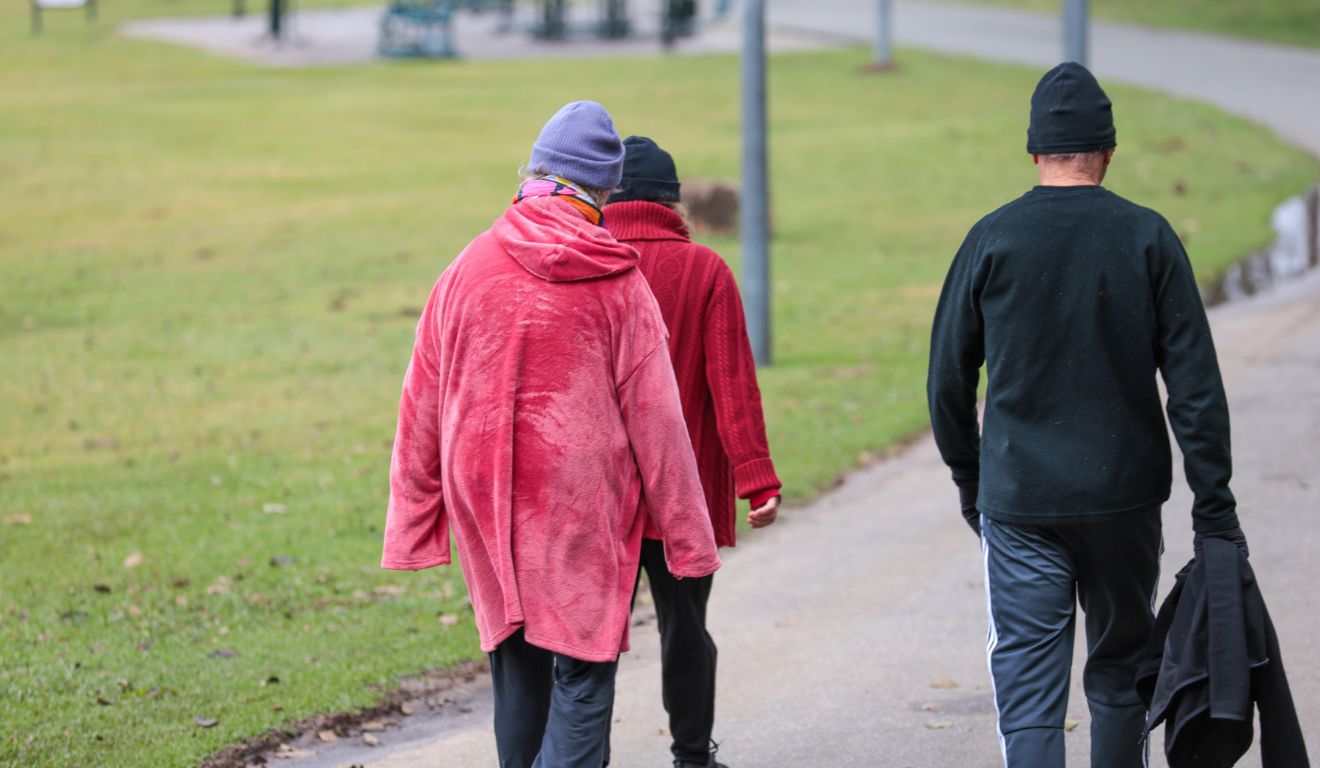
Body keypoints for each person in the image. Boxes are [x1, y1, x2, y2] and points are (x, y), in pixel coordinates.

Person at [926, 62, 1248, 768]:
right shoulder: (1148, 238)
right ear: (1107, 150)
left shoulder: (992, 239)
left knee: (1030, 684)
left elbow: (947, 379)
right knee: (1123, 668)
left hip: (1021, 503)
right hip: (1123, 501)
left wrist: (970, 482)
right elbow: (1194, 385)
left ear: (1035, 150)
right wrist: (1214, 506)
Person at [382, 101, 721, 768]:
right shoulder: (619, 283)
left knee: (517, 662)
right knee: (584, 665)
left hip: (484, 496)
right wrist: (689, 540)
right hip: (577, 501)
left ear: (533, 172)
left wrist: (414, 520)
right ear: (603, 190)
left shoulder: (465, 268)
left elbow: (420, 400)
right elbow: (659, 423)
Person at [602, 136, 783, 768]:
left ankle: (583, 755)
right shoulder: (705, 271)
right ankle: (690, 757)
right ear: (672, 203)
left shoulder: (587, 262)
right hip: (687, 492)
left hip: (601, 495)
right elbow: (733, 385)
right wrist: (756, 479)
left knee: (594, 636)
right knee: (686, 629)